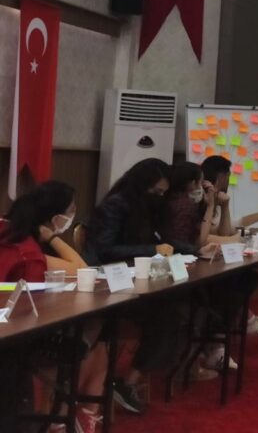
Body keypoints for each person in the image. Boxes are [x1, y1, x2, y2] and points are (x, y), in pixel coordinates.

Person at [0, 182, 106, 433]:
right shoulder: (25, 247)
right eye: (70, 210)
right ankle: (66, 412)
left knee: (96, 332)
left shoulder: (11, 231)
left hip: (16, 326)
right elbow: (81, 270)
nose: (73, 215)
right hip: (19, 334)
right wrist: (52, 237)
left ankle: (65, 411)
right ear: (53, 216)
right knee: (94, 330)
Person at [86, 158, 183, 414]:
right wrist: (151, 250)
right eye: (156, 191)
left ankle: (131, 379)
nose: (159, 197)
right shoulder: (115, 206)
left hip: (139, 282)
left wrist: (193, 250)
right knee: (167, 315)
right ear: (142, 185)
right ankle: (127, 382)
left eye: (163, 193)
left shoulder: (149, 207)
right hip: (111, 286)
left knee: (176, 307)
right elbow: (105, 249)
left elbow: (164, 241)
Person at [196, 157, 258, 338]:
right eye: (228, 176)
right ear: (221, 176)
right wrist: (242, 238)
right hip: (202, 264)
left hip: (216, 260)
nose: (229, 180)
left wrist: (226, 206)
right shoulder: (203, 200)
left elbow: (227, 231)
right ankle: (230, 328)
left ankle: (237, 324)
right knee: (234, 282)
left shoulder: (218, 200)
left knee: (248, 277)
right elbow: (205, 238)